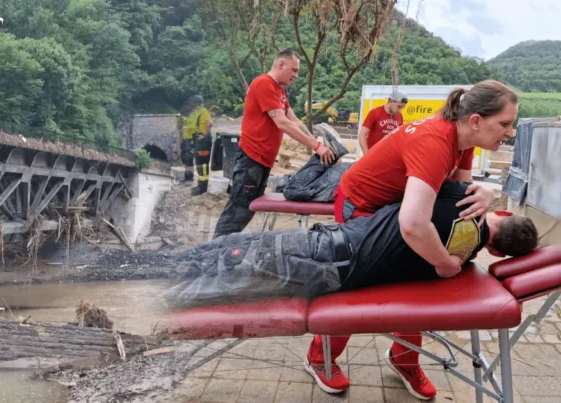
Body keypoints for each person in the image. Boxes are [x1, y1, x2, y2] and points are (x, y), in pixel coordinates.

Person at [164, 181, 538, 397]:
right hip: (332, 262)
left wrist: (485, 191)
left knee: (220, 258)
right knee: (220, 272)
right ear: (496, 252)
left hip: (328, 248)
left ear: (503, 215)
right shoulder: (459, 262)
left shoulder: (457, 194)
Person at [307, 79, 520, 400]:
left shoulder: (464, 139)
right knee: (357, 280)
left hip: (397, 206)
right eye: (505, 124)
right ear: (476, 120)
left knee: (418, 274)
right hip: (361, 204)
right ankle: (319, 357)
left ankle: (404, 359)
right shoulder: (435, 140)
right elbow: (413, 223)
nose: (510, 132)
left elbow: (459, 199)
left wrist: (485, 194)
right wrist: (445, 262)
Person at [213, 48, 336, 239]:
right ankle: (214, 251)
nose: (296, 75)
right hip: (251, 160)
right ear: (281, 64)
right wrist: (316, 146)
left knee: (246, 211)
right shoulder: (263, 83)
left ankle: (221, 249)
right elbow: (282, 122)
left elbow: (294, 120)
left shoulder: (279, 91)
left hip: (263, 162)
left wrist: (318, 142)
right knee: (237, 212)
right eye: (294, 70)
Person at [179, 95, 214, 195]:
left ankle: (202, 188)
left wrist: (204, 135)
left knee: (202, 164)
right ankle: (200, 186)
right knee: (200, 163)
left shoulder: (203, 111)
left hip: (203, 140)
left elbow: (210, 123)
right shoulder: (198, 112)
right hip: (199, 139)